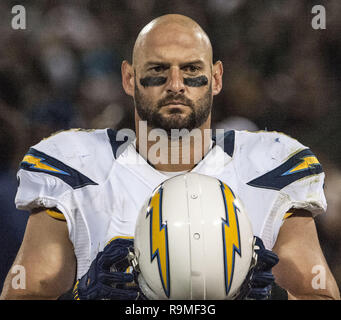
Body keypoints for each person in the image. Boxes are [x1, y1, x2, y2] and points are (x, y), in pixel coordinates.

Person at [0, 14, 339, 300]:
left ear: (217, 77)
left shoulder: (272, 165)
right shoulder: (76, 166)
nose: (176, 84)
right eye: (158, 69)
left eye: (191, 69)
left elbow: (317, 292)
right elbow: (25, 292)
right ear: (129, 78)